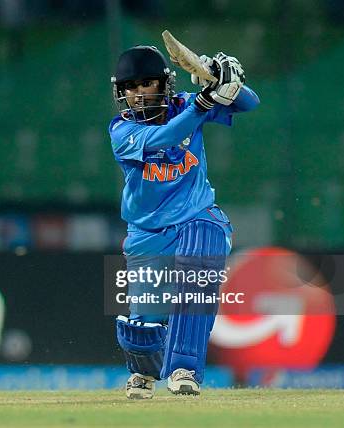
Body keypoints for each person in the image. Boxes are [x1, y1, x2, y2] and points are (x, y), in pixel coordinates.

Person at [108, 45, 259, 398]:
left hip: (197, 216)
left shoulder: (187, 104)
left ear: (164, 84)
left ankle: (183, 370)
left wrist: (222, 79)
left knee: (196, 279)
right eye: (130, 86)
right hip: (147, 233)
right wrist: (204, 103)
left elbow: (249, 103)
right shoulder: (121, 129)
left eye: (147, 83)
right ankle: (145, 372)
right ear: (120, 92)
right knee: (144, 329)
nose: (138, 92)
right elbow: (167, 136)